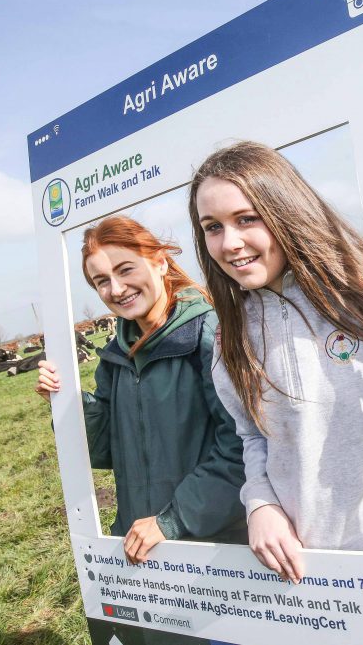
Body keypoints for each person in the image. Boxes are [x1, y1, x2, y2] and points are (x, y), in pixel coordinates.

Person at [188, 141, 363, 584]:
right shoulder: (228, 336)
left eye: (247, 218)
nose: (230, 243)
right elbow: (252, 436)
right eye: (212, 227)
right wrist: (261, 504)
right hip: (300, 563)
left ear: (285, 209)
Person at [35, 216, 247, 564]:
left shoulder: (210, 333)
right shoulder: (117, 354)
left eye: (126, 270)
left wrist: (172, 521)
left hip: (214, 547)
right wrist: (66, 399)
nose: (116, 289)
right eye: (101, 281)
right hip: (141, 542)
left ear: (160, 262)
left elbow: (242, 446)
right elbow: (105, 450)